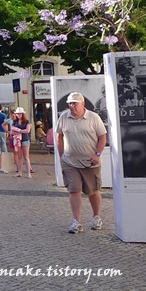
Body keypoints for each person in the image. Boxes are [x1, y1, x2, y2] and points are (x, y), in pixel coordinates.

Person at [56, 92, 107, 234]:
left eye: (75, 103)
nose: (72, 106)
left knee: (93, 191)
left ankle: (96, 217)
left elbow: (102, 137)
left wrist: (97, 154)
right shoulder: (64, 117)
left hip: (90, 162)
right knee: (74, 190)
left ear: (83, 104)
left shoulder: (93, 117)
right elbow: (59, 136)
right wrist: (61, 155)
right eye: (70, 103)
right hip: (70, 161)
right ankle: (77, 221)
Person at [10, 108, 33, 177]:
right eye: (17, 113)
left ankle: (28, 173)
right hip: (18, 141)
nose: (18, 115)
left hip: (25, 140)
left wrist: (18, 131)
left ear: (22, 114)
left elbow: (27, 131)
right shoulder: (15, 122)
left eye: (20, 113)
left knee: (26, 157)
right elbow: (11, 131)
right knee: (19, 157)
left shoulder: (26, 121)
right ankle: (20, 172)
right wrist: (22, 131)